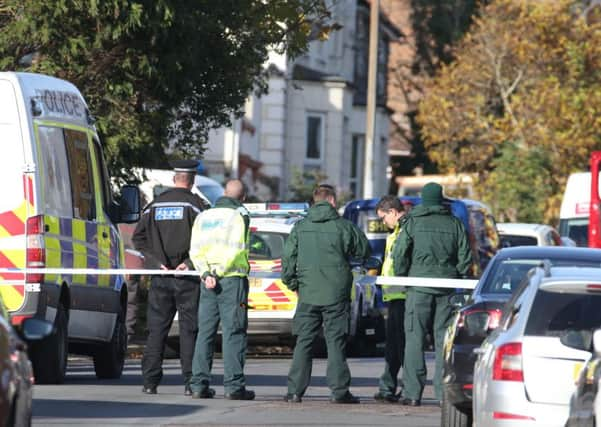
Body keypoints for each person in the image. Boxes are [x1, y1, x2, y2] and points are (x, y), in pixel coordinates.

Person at [282, 184, 370, 404]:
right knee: (335, 342)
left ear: (314, 201)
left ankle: (295, 391)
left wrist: (294, 284)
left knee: (304, 342)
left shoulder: (300, 228)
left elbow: (287, 261)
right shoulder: (344, 227)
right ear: (332, 201)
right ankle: (339, 392)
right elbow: (364, 251)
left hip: (308, 293)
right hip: (336, 293)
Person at [392, 182, 472, 406]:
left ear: (424, 199)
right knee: (443, 342)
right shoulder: (455, 224)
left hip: (418, 288)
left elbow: (400, 253)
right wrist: (454, 275)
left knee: (414, 339)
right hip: (446, 289)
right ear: (441, 199)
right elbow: (465, 258)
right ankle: (441, 394)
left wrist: (403, 276)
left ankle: (413, 394)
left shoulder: (413, 222)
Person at [132, 160, 207, 395]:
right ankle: (189, 383)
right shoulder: (197, 206)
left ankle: (149, 382)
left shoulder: (154, 206)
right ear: (192, 181)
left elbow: (138, 238)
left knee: (157, 330)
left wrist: (157, 263)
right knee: (189, 330)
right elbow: (207, 240)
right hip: (188, 277)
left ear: (174, 179)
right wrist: (190, 263)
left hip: (161, 277)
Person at [188, 179, 255, 400]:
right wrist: (219, 272)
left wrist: (206, 273)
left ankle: (198, 384)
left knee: (205, 333)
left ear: (224, 192)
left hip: (207, 282)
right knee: (234, 332)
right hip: (231, 280)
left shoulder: (203, 216)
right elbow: (238, 248)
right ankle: (234, 386)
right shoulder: (240, 215)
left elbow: (195, 250)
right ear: (242, 197)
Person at [373, 196, 406, 403]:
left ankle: (407, 387)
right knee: (393, 346)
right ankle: (388, 387)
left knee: (402, 346)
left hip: (404, 295)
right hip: (395, 295)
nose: (383, 222)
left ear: (393, 212)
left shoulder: (405, 231)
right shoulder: (395, 232)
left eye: (383, 217)